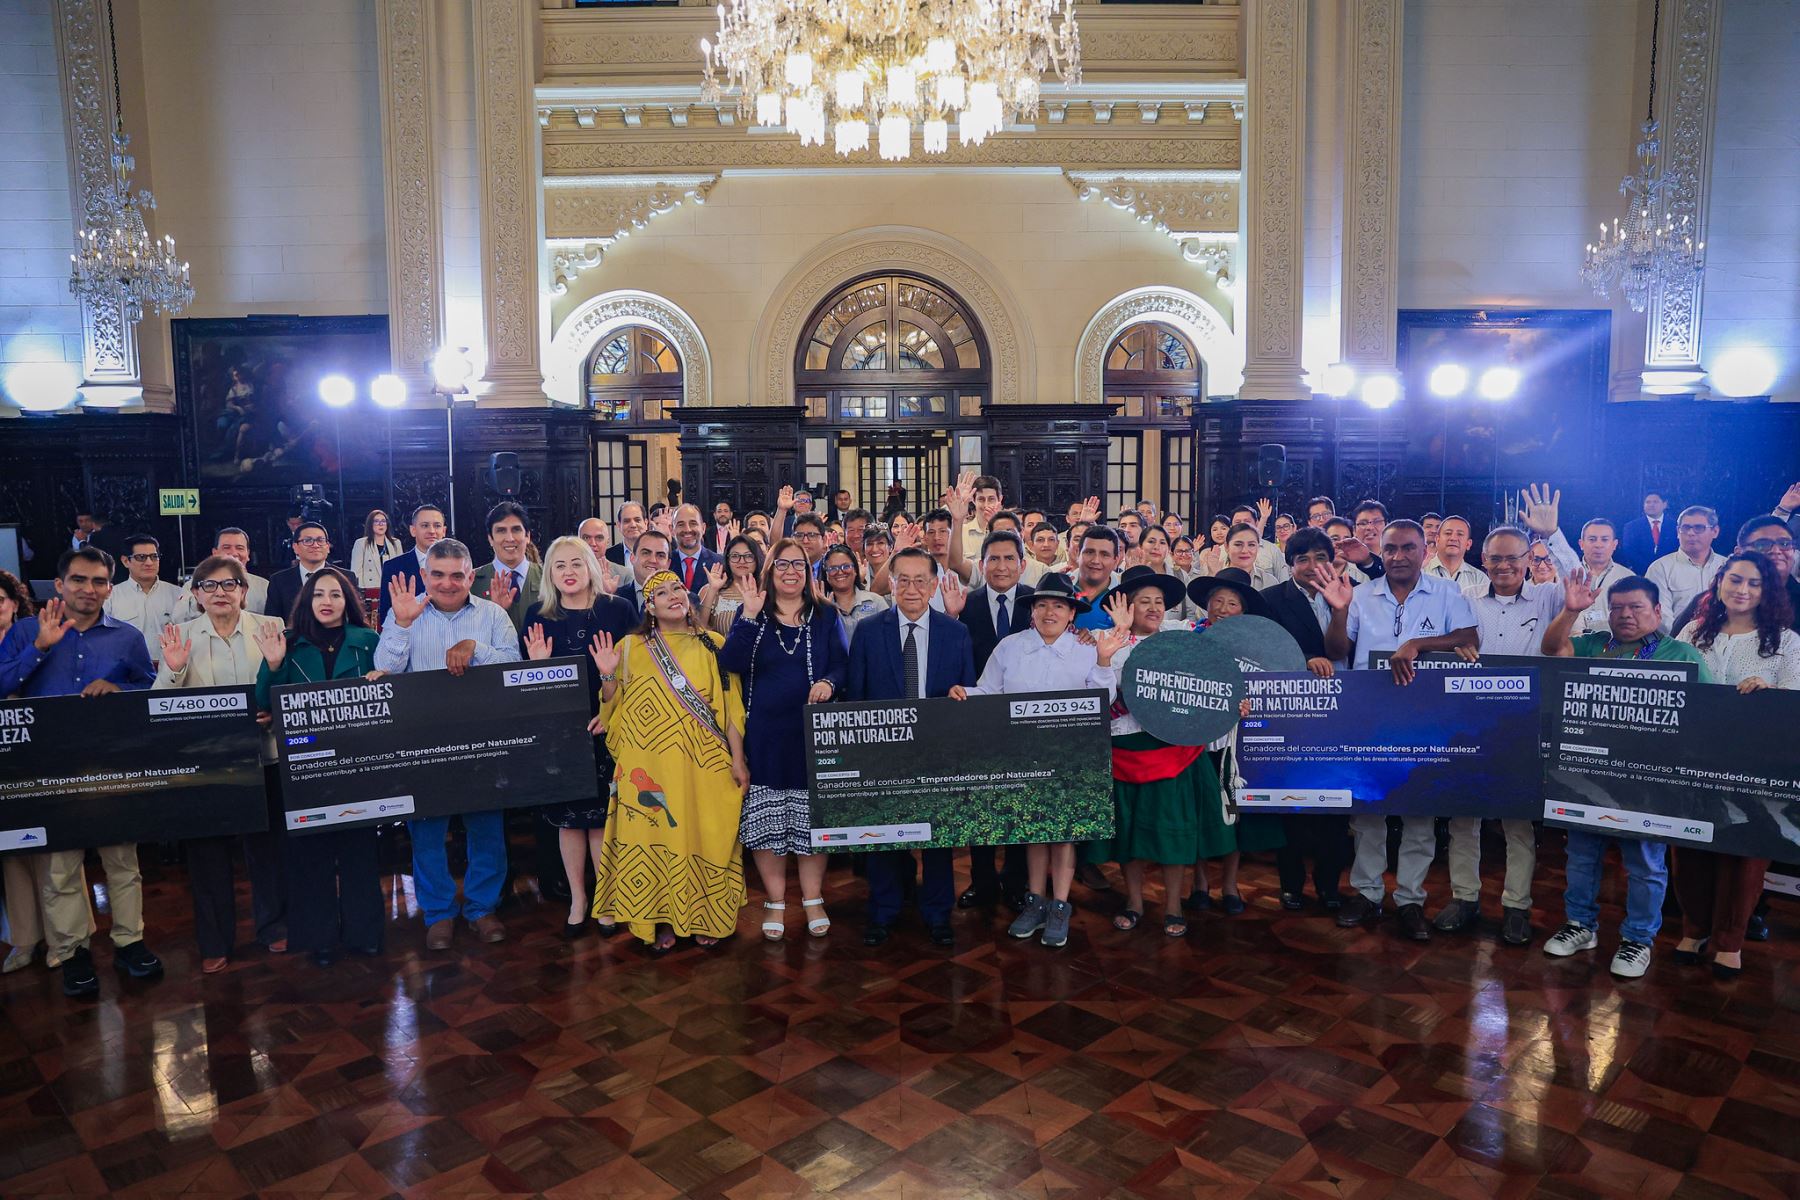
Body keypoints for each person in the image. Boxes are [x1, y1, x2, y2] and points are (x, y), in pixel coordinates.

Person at [0, 548, 161, 997]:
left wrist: (120, 687)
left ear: (110, 587)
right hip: (49, 770)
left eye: (98, 581)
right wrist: (39, 648)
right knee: (59, 871)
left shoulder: (127, 637)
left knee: (123, 862)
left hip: (112, 767)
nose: (88, 589)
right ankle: (73, 954)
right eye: (78, 579)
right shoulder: (28, 631)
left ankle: (130, 943)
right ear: (59, 584)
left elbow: (148, 688)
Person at [1541, 571, 1709, 977]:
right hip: (1587, 773)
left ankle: (1638, 940)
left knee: (1645, 864)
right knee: (1582, 856)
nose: (1625, 615)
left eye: (1635, 607)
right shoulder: (1593, 645)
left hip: (1648, 783)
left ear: (1657, 611)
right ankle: (1580, 925)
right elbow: (1552, 650)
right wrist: (1570, 611)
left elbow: (1708, 717)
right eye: (1617, 608)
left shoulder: (1682, 655)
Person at [1321, 520, 1478, 940]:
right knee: (1368, 812)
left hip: (1426, 721)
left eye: (1408, 548)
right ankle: (1367, 893)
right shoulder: (1361, 594)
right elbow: (1337, 650)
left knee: (1419, 814)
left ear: (1425, 551)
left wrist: (1416, 644)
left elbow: (1469, 636)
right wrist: (1340, 610)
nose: (1398, 556)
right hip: (1368, 718)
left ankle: (1410, 900)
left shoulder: (1446, 592)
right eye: (1390, 549)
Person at [956, 573, 1128, 948]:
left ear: (1071, 614)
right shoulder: (1010, 647)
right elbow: (989, 691)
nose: (1050, 612)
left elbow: (1103, 699)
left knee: (1063, 835)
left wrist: (1103, 660)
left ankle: (1060, 906)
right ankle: (1034, 902)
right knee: (1033, 831)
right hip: (1021, 755)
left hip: (1070, 759)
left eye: (1059, 606)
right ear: (1032, 611)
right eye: (1042, 605)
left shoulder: (1087, 648)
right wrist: (964, 693)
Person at [590, 570, 749, 953]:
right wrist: (607, 674)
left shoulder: (714, 644)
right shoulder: (631, 647)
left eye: (677, 587)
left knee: (708, 835)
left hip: (704, 765)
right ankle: (659, 919)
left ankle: (708, 916)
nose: (673, 595)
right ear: (649, 606)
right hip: (651, 769)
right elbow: (612, 706)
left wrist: (738, 759)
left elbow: (733, 709)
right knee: (655, 836)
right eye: (661, 592)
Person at [376, 539, 522, 950]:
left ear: (470, 576)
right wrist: (402, 624)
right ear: (424, 575)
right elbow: (383, 669)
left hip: (484, 741)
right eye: (437, 575)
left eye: (457, 575)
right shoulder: (404, 613)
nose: (447, 583)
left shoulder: (492, 615)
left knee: (487, 829)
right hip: (423, 742)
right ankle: (438, 913)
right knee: (426, 833)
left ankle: (481, 908)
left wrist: (476, 649)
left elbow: (515, 667)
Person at [157, 553, 291, 973]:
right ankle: (215, 941)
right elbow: (159, 705)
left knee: (267, 850)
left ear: (244, 591)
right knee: (208, 856)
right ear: (196, 594)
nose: (220, 592)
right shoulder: (179, 635)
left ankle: (274, 925)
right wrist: (174, 670)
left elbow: (288, 687)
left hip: (264, 755)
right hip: (207, 766)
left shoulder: (270, 628)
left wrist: (273, 711)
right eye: (209, 585)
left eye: (229, 584)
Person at [1433, 524, 1563, 946]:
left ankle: (1516, 906)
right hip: (1469, 723)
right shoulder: (1464, 598)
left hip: (1523, 727)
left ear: (1528, 559)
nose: (1504, 565)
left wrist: (1553, 535)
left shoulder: (1548, 596)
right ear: (1483, 560)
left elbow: (1580, 583)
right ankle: (1464, 898)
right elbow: (1444, 640)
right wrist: (1449, 645)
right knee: (1463, 818)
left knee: (1518, 823)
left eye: (1513, 557)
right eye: (1496, 558)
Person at [1671, 551, 1798, 979]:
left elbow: (1794, 702)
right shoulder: (1693, 631)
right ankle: (1694, 930)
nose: (1742, 590)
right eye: (1735, 580)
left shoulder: (1786, 641)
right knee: (1689, 848)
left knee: (1744, 855)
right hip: (1694, 759)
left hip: (1754, 765)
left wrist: (1770, 693)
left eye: (1754, 583)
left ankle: (1729, 941)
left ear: (1767, 591)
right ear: (1720, 581)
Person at [251, 567, 385, 965]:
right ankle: (320, 939)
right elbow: (264, 704)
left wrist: (385, 678)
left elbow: (390, 694)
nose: (327, 601)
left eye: (336, 594)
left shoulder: (368, 641)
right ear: (306, 601)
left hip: (358, 763)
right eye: (319, 594)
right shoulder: (287, 642)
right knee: (311, 857)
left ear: (348, 601)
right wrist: (274, 664)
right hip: (306, 766)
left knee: (360, 852)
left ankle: (364, 933)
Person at [846, 548, 977, 947]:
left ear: (934, 586)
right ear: (891, 584)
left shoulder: (956, 633)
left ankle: (938, 913)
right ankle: (883, 910)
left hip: (938, 752)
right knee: (882, 835)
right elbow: (856, 696)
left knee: (937, 836)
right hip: (883, 753)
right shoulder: (869, 631)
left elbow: (969, 693)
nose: (912, 588)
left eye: (921, 580)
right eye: (903, 580)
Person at [719, 539, 848, 942]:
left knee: (812, 824)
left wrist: (829, 683)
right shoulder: (752, 612)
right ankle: (775, 899)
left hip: (813, 735)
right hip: (765, 735)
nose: (791, 572)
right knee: (768, 821)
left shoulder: (825, 614)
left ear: (808, 572)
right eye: (782, 565)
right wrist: (748, 616)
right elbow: (730, 663)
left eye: (798, 565)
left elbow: (842, 664)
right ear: (770, 571)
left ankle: (812, 898)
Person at [520, 536, 637, 938]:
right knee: (569, 823)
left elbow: (637, 676)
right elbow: (528, 692)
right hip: (561, 735)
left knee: (603, 821)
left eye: (576, 563)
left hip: (610, 730)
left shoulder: (618, 609)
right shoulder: (537, 615)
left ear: (591, 566)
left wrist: (609, 709)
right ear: (549, 574)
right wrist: (537, 667)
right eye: (559, 565)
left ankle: (606, 899)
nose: (568, 572)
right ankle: (578, 899)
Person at [1087, 573, 1204, 936]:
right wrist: (1119, 635)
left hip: (1170, 751)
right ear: (1126, 606)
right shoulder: (1106, 642)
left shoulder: (1180, 638)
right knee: (1129, 836)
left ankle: (1173, 906)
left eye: (1158, 602)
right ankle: (1134, 901)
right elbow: (1101, 695)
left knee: (1172, 833)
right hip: (1123, 749)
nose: (1153, 608)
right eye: (1144, 601)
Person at [1257, 530, 1351, 911]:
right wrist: (1303, 662)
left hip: (1343, 712)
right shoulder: (1269, 600)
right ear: (1290, 563)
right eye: (1303, 559)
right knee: (1291, 803)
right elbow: (1262, 653)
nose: (1313, 566)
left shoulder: (1352, 594)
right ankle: (1291, 884)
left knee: (1336, 804)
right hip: (1292, 715)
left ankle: (1329, 886)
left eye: (1320, 557)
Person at [1185, 569, 1288, 909]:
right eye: (1218, 601)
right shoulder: (1189, 638)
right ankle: (1199, 884)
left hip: (1239, 743)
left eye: (1232, 603)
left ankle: (1231, 886)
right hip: (1196, 742)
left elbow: (1271, 689)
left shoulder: (1255, 648)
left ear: (1243, 611)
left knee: (1235, 814)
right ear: (1207, 605)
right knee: (1200, 812)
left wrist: (1251, 704)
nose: (1223, 608)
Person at [956, 530, 1036, 910]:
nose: (1001, 566)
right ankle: (982, 880)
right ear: (982, 564)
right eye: (994, 559)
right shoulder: (964, 604)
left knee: (1020, 802)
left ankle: (1017, 882)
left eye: (1009, 559)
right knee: (980, 802)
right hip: (977, 719)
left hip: (1026, 722)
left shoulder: (1038, 602)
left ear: (1022, 563)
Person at [0, 571, 67, 974]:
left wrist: (39, 646)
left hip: (40, 751)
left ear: (14, 602)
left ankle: (64, 937)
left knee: (55, 848)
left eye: (0, 600)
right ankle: (24, 940)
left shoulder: (36, 631)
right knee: (11, 852)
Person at [104, 535, 186, 664]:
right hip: (127, 670)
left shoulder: (178, 594)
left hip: (171, 668)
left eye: (154, 557)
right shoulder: (110, 597)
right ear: (125, 561)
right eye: (141, 557)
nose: (149, 563)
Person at [1644, 505, 1725, 634]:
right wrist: (1686, 639)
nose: (1691, 533)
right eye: (1686, 528)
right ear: (1678, 531)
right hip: (1676, 642)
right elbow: (1661, 618)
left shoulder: (1727, 567)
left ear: (1715, 531)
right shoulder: (1660, 568)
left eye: (1699, 528)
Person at [470, 501, 541, 633]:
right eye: (501, 531)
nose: (509, 538)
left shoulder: (549, 577)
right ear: (490, 539)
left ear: (528, 536)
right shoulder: (471, 582)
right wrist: (495, 611)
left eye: (516, 529)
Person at [175, 527, 271, 618]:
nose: (233, 553)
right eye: (226, 547)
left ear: (248, 554)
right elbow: (178, 618)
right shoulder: (193, 586)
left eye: (239, 548)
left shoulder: (264, 587)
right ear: (215, 553)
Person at [378, 505, 447, 624]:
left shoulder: (457, 565)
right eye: (425, 525)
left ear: (444, 531)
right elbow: (385, 615)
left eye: (437, 526)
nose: (432, 531)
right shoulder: (393, 567)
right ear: (413, 530)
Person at [1567, 518, 1634, 634]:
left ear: (1614, 544)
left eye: (1604, 540)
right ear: (1581, 544)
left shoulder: (1628, 578)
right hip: (1573, 642)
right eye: (1592, 539)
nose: (1598, 545)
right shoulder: (1568, 575)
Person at [266, 520, 335, 625]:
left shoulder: (345, 577)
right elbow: (273, 622)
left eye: (320, 540)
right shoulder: (278, 581)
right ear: (295, 547)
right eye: (308, 540)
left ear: (328, 546)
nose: (315, 545)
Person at [699, 534, 765, 635]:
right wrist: (712, 589)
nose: (741, 561)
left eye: (748, 556)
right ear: (727, 560)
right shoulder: (710, 589)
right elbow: (698, 629)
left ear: (757, 559)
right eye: (735, 556)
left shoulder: (766, 589)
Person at [819, 544, 887, 635]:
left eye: (846, 567)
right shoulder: (819, 607)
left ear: (855, 570)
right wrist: (825, 611)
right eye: (833, 568)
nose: (840, 572)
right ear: (826, 574)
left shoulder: (876, 601)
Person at [1423, 516, 1490, 591]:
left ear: (1468, 544)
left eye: (1460, 534)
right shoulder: (1421, 572)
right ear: (1437, 540)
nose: (1453, 538)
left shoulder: (1479, 579)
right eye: (1448, 533)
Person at [671, 503, 723, 593]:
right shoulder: (665, 563)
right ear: (672, 530)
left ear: (703, 528)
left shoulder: (720, 563)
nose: (687, 529)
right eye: (681, 524)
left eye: (693, 523)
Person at [350, 509, 405, 593]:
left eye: (383, 521)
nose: (380, 524)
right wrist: (361, 592)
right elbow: (356, 573)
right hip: (370, 591)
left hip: (392, 590)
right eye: (376, 521)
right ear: (370, 524)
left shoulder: (396, 543)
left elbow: (401, 569)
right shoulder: (361, 543)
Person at [577, 516, 633, 594]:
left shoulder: (625, 575)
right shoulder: (568, 573)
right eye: (586, 538)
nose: (593, 543)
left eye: (599, 538)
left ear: (607, 541)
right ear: (578, 541)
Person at [1620, 489, 1671, 571]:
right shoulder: (1631, 527)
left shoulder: (1674, 526)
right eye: (1648, 502)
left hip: (1668, 571)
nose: (1651, 505)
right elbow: (1629, 551)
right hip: (1640, 572)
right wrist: (1649, 569)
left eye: (1655, 502)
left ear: (1665, 504)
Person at [959, 475, 1006, 559]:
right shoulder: (961, 532)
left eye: (991, 499)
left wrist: (994, 525)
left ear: (1000, 499)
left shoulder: (1009, 531)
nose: (986, 505)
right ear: (973, 500)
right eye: (981, 499)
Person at [607, 501, 649, 573]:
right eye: (627, 521)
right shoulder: (608, 556)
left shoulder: (658, 553)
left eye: (637, 520)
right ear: (619, 525)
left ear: (645, 523)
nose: (633, 525)